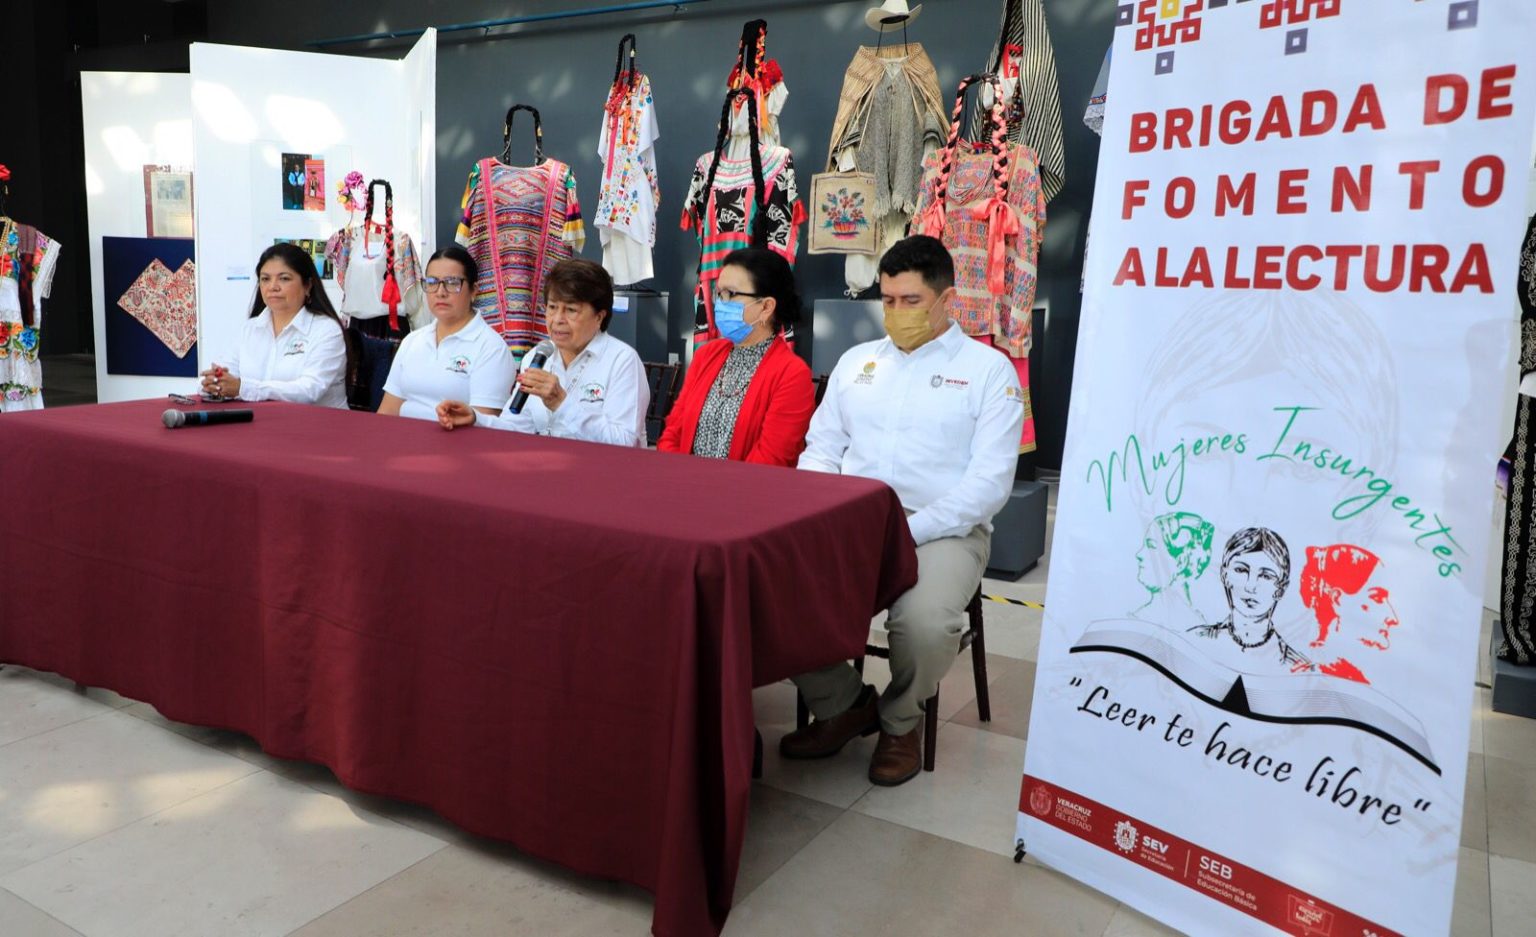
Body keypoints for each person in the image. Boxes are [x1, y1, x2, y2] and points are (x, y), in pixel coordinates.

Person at [780, 235, 1024, 787]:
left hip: (944, 530)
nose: (896, 312)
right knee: (771, 592)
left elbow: (988, 485)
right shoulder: (857, 363)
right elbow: (822, 449)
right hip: (851, 519)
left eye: (911, 301)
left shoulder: (989, 372)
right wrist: (823, 511)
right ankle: (844, 705)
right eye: (887, 300)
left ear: (947, 299)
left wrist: (905, 532)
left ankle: (900, 722)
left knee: (923, 623)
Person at [437, 258, 648, 446]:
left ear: (599, 317)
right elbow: (515, 428)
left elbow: (625, 442)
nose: (557, 320)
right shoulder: (538, 357)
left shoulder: (621, 361)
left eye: (571, 310)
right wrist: (476, 419)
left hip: (602, 472)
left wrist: (561, 403)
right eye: (552, 307)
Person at [657, 248, 814, 465]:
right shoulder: (707, 355)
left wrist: (713, 484)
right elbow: (673, 431)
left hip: (747, 486)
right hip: (684, 480)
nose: (720, 303)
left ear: (766, 307)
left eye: (730, 294)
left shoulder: (792, 374)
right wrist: (678, 475)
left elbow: (772, 458)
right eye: (719, 294)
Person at [201, 242, 348, 408]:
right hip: (261, 420)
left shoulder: (327, 330)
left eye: (284, 278)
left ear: (307, 285)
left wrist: (243, 388)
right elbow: (224, 373)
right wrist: (214, 382)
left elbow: (309, 391)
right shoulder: (249, 329)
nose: (273, 287)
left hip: (319, 422)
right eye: (265, 279)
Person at [377, 246, 516, 421]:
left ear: (474, 290)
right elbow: (388, 411)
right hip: (402, 436)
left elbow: (484, 426)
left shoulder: (491, 349)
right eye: (432, 282)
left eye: (452, 283)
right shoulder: (412, 341)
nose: (440, 292)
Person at [1188, 527, 1311, 674]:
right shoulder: (1193, 639)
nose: (1250, 587)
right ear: (1224, 575)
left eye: (1266, 576)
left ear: (1281, 589)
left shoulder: (1298, 669)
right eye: (1241, 570)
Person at [1299, 544, 1400, 684]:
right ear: (1337, 599)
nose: (1393, 619)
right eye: (1377, 598)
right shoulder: (1321, 677)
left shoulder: (1363, 678)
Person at [1130, 511, 1215, 630]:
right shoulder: (1136, 620)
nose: (1139, 554)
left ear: (1181, 561)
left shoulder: (1198, 628)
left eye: (1151, 546)